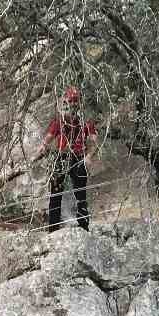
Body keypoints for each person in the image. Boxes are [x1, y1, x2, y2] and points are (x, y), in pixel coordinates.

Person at [33, 86, 98, 232]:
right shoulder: (59, 121)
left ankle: (84, 228)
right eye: (71, 100)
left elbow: (94, 143)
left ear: (80, 103)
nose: (73, 104)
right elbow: (46, 141)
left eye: (76, 101)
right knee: (55, 194)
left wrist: (89, 156)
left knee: (81, 194)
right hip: (61, 157)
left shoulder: (86, 122)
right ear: (66, 102)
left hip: (79, 158)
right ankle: (52, 230)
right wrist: (36, 155)